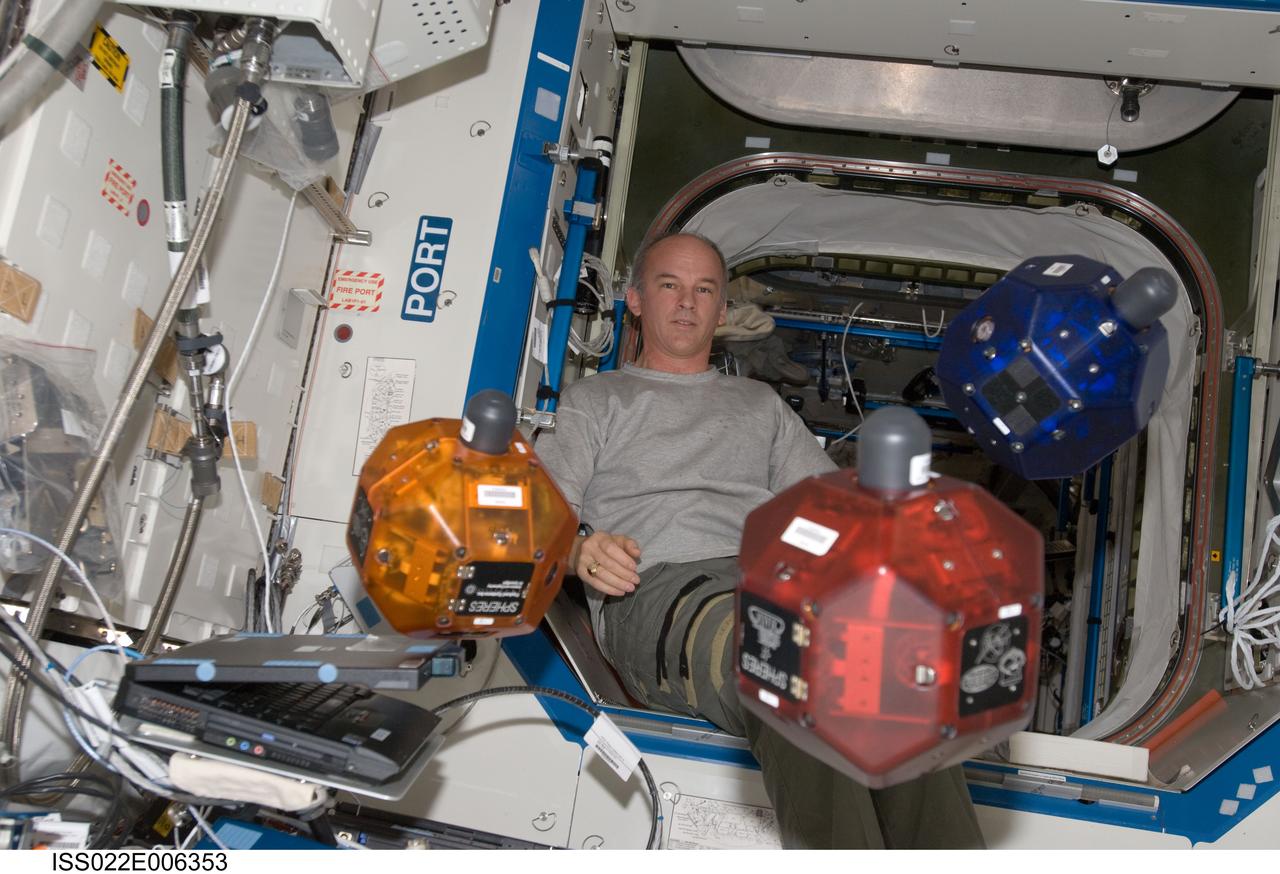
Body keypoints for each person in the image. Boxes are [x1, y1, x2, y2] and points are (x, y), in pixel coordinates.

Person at [535, 231, 984, 849]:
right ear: (636, 299)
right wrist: (580, 548)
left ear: (722, 312)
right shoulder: (598, 400)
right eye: (669, 286)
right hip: (661, 583)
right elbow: (539, 514)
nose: (687, 304)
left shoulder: (759, 406)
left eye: (704, 290)